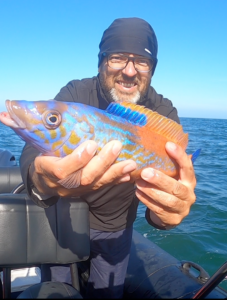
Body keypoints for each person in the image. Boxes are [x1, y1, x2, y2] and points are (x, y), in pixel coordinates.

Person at [19, 17, 197, 299]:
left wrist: (168, 214)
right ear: (101, 61)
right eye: (117, 58)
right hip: (62, 219)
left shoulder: (162, 110)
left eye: (141, 61)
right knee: (58, 290)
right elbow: (34, 153)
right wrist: (40, 177)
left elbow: (162, 199)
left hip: (116, 229)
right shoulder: (76, 94)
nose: (129, 70)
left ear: (152, 69)